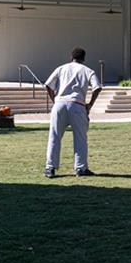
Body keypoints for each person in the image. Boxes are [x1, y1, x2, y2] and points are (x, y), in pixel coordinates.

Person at [44, 47, 102, 178]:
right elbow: (97, 88)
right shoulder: (88, 71)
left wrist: (55, 100)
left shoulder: (61, 68)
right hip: (77, 105)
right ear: (83, 58)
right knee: (80, 138)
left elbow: (48, 85)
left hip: (60, 104)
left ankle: (50, 168)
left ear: (71, 57)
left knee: (54, 136)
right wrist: (90, 105)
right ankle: (81, 168)